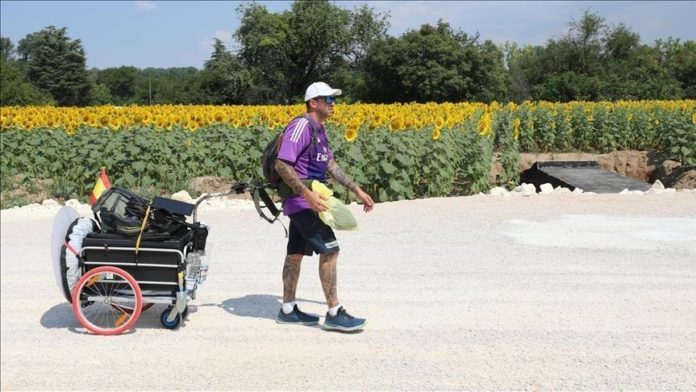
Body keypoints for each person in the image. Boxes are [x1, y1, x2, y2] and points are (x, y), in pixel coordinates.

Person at [274, 82, 374, 332]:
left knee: (295, 253)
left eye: (333, 99)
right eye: (328, 99)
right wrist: (307, 195)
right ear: (313, 102)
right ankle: (333, 312)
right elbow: (282, 164)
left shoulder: (319, 130)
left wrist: (357, 190)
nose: (333, 104)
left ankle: (287, 309)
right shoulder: (301, 126)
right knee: (330, 251)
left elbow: (330, 164)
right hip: (304, 201)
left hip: (310, 199)